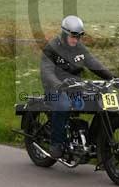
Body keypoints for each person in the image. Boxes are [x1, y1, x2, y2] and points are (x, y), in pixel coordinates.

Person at [40, 15, 115, 159]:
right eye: (73, 36)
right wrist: (57, 84)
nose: (76, 39)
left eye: (79, 36)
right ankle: (56, 144)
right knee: (63, 105)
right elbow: (46, 71)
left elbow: (94, 64)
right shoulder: (52, 48)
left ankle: (96, 143)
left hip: (74, 87)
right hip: (54, 89)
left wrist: (112, 78)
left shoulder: (79, 48)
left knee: (99, 101)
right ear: (64, 33)